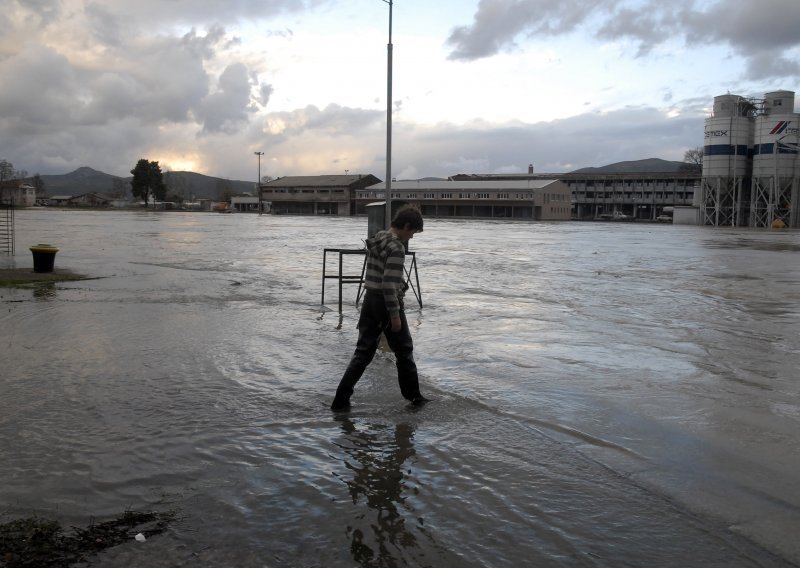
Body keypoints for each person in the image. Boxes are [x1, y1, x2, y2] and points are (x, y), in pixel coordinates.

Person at [331, 206, 427, 411]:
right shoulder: (397, 248)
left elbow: (383, 277)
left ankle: (340, 400)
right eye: (412, 232)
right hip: (386, 303)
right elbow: (389, 285)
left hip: (370, 300)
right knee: (404, 351)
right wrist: (395, 316)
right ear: (407, 226)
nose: (411, 237)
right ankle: (414, 398)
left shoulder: (378, 238)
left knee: (363, 352)